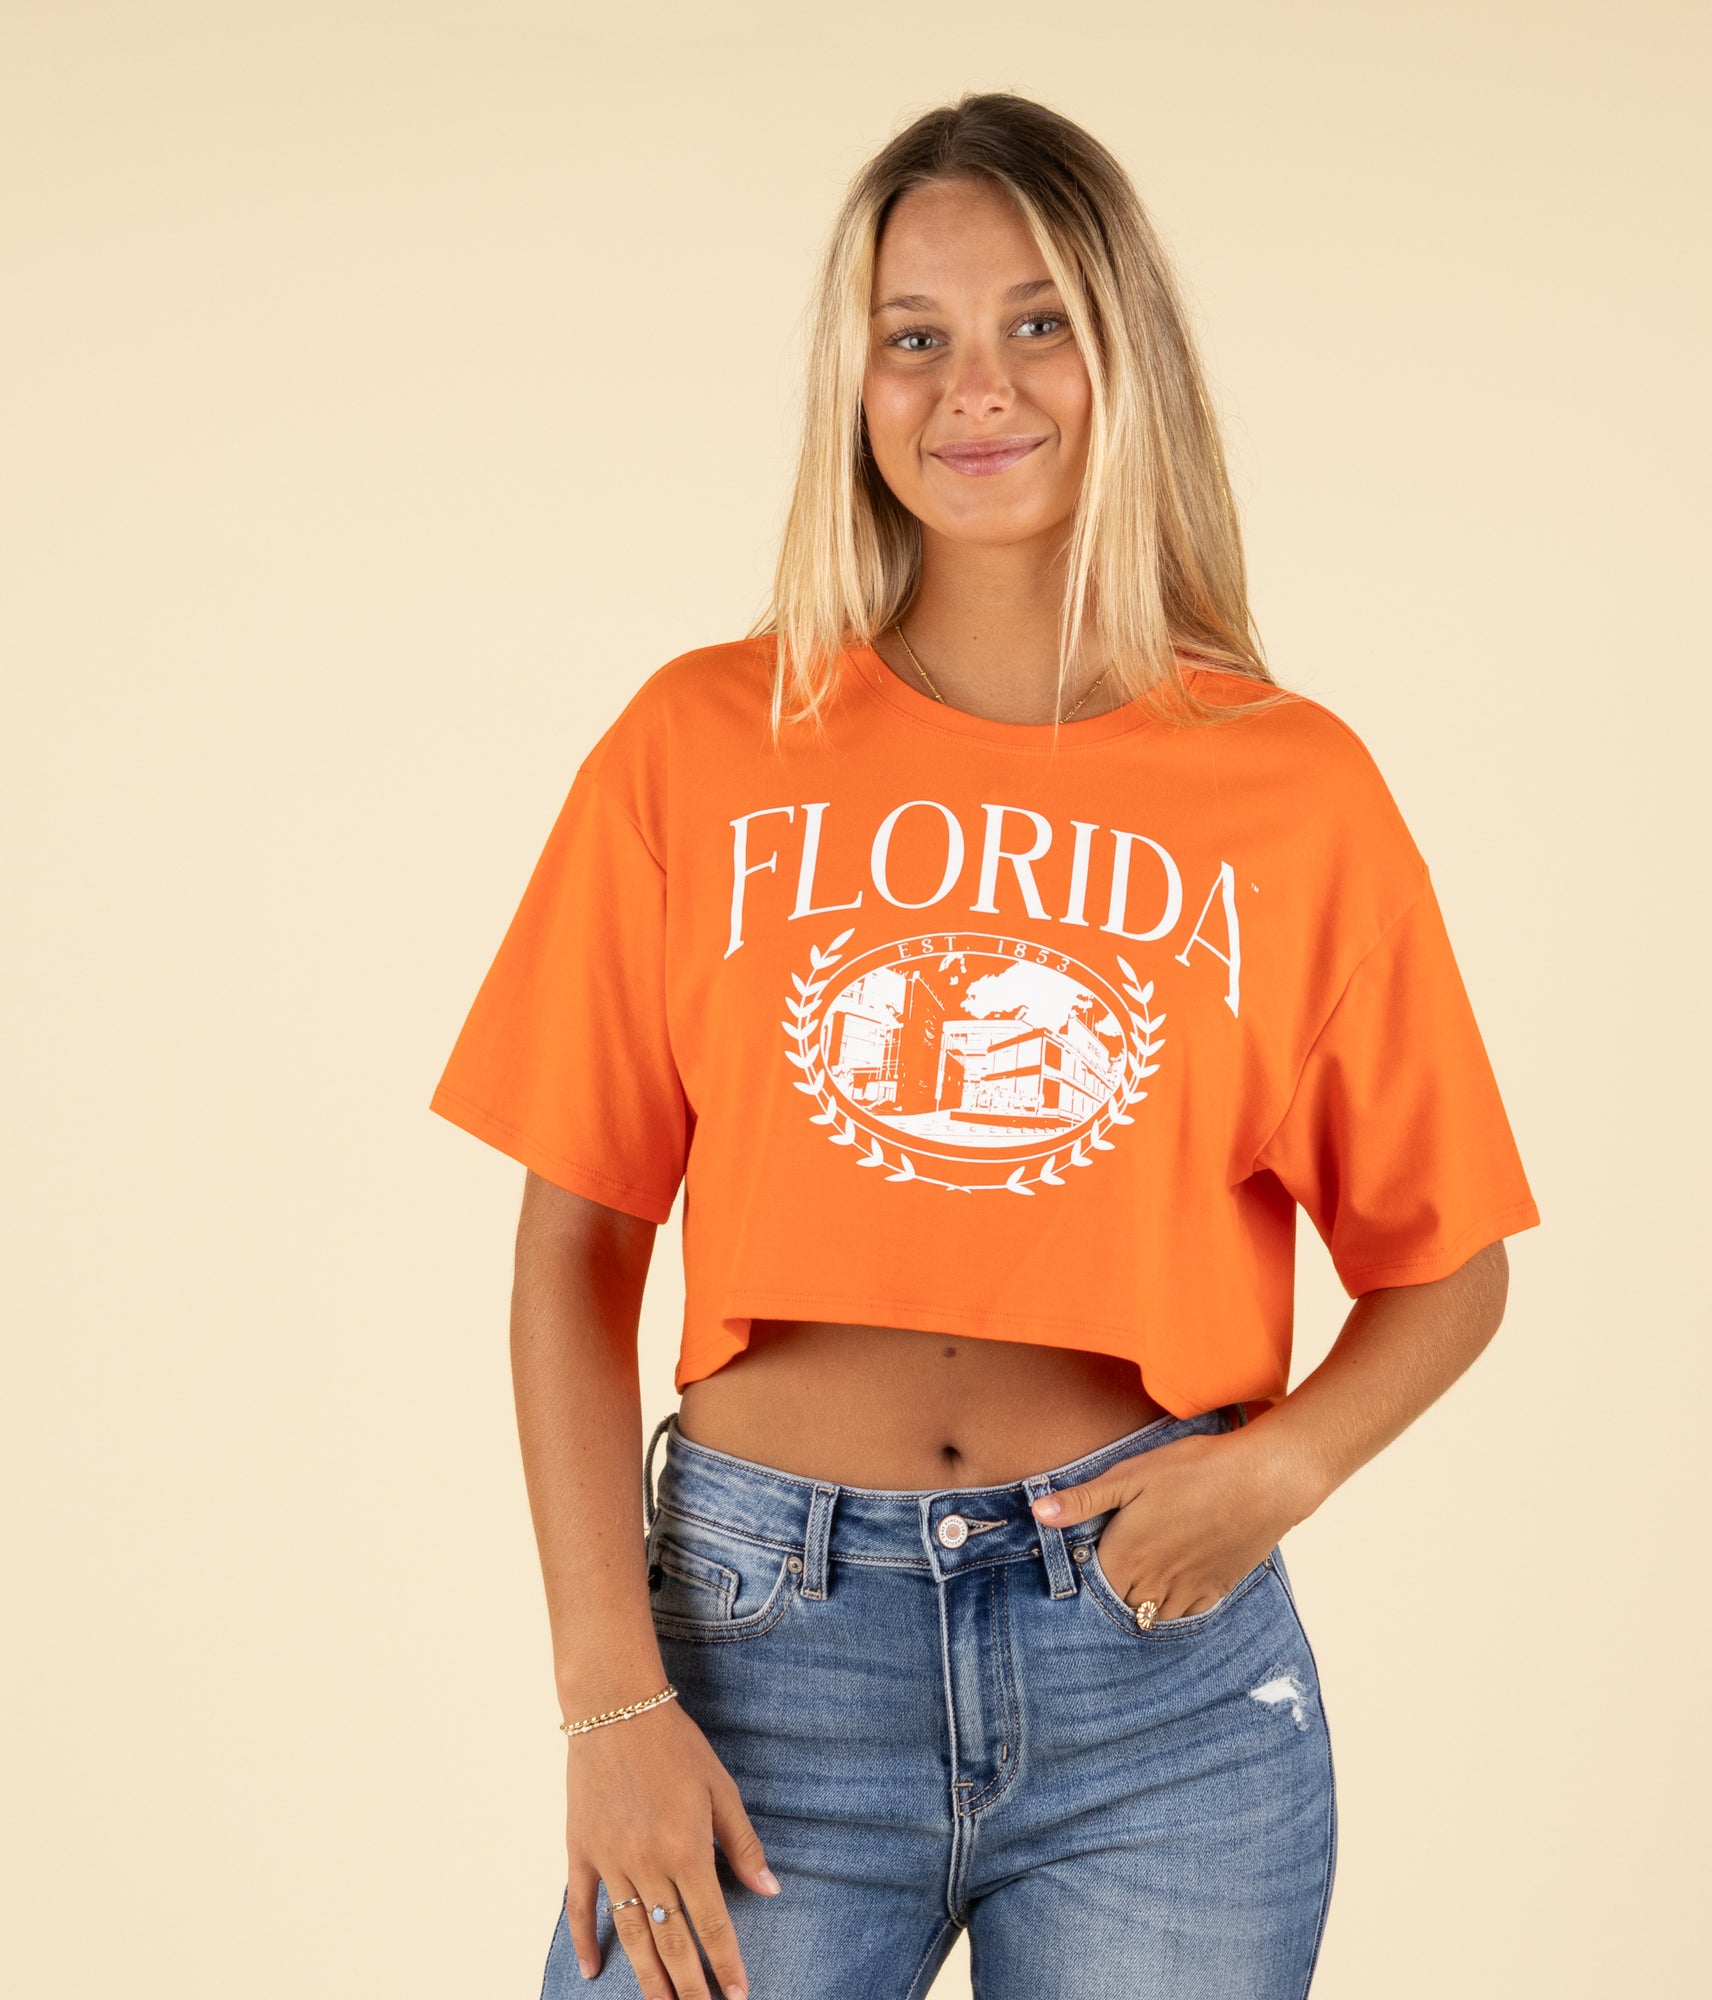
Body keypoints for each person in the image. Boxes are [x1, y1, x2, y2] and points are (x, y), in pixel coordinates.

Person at [431, 90, 1539, 2000]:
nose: (977, 389)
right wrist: (608, 1704)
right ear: (853, 388)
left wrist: (1276, 1476)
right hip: (763, 1654)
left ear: (1127, 358)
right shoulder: (701, 743)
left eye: (1038, 323)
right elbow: (571, 1250)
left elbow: (1451, 1270)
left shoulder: (1291, 789)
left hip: (1158, 1687)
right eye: (912, 336)